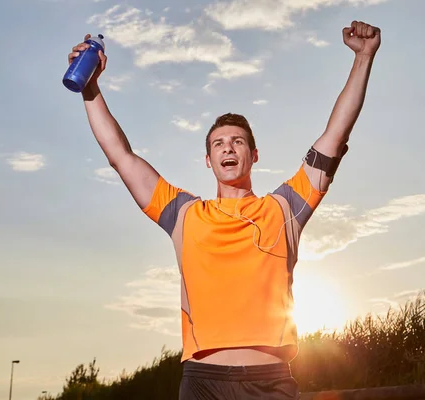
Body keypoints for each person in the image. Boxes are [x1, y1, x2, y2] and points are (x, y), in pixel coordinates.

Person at [68, 19, 381, 400]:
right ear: (208, 159)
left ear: (253, 154)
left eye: (237, 142)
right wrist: (91, 88)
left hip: (271, 382)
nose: (228, 148)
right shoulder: (184, 214)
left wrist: (363, 58)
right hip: (202, 382)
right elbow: (121, 156)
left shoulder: (284, 208)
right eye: (219, 144)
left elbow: (335, 135)